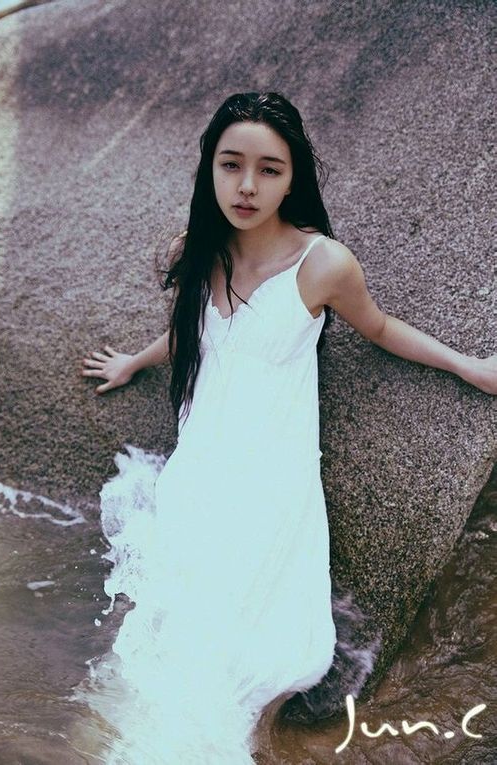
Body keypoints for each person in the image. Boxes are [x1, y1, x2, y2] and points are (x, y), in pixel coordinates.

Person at [79, 92, 496, 764]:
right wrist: (134, 361)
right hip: (199, 470)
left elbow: (380, 327)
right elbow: (195, 330)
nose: (247, 186)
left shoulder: (323, 264)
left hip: (270, 483)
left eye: (268, 169)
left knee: (260, 657)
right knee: (176, 638)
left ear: (292, 176)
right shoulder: (200, 250)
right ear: (210, 169)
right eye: (231, 165)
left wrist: (469, 367)